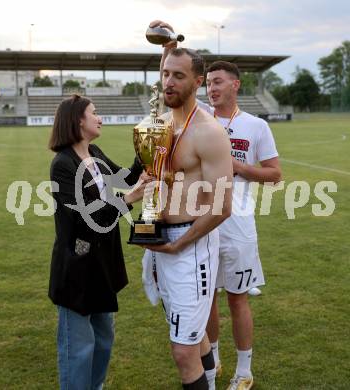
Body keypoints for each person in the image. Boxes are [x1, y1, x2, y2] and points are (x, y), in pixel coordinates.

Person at [152, 20, 282, 390]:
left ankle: (245, 370)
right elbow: (167, 86)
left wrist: (240, 167)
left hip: (235, 221)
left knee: (238, 299)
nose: (212, 87)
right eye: (209, 82)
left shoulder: (253, 126)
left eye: (217, 81)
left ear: (234, 85)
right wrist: (168, 47)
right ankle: (213, 361)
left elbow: (275, 174)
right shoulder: (183, 121)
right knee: (204, 302)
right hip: (195, 222)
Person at [143, 45, 233, 390]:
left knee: (183, 350)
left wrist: (178, 243)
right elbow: (156, 181)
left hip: (189, 244)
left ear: (197, 82)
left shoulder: (208, 133)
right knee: (192, 336)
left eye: (178, 76)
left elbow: (221, 206)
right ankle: (210, 380)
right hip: (163, 241)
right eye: (166, 73)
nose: (169, 82)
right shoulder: (161, 125)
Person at [48, 94, 150, 390]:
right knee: (79, 351)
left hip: (102, 265)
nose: (99, 117)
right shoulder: (63, 165)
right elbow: (85, 219)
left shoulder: (94, 151)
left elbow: (126, 179)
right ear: (78, 120)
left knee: (103, 341)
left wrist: (145, 152)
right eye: (95, 113)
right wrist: (129, 200)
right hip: (77, 270)